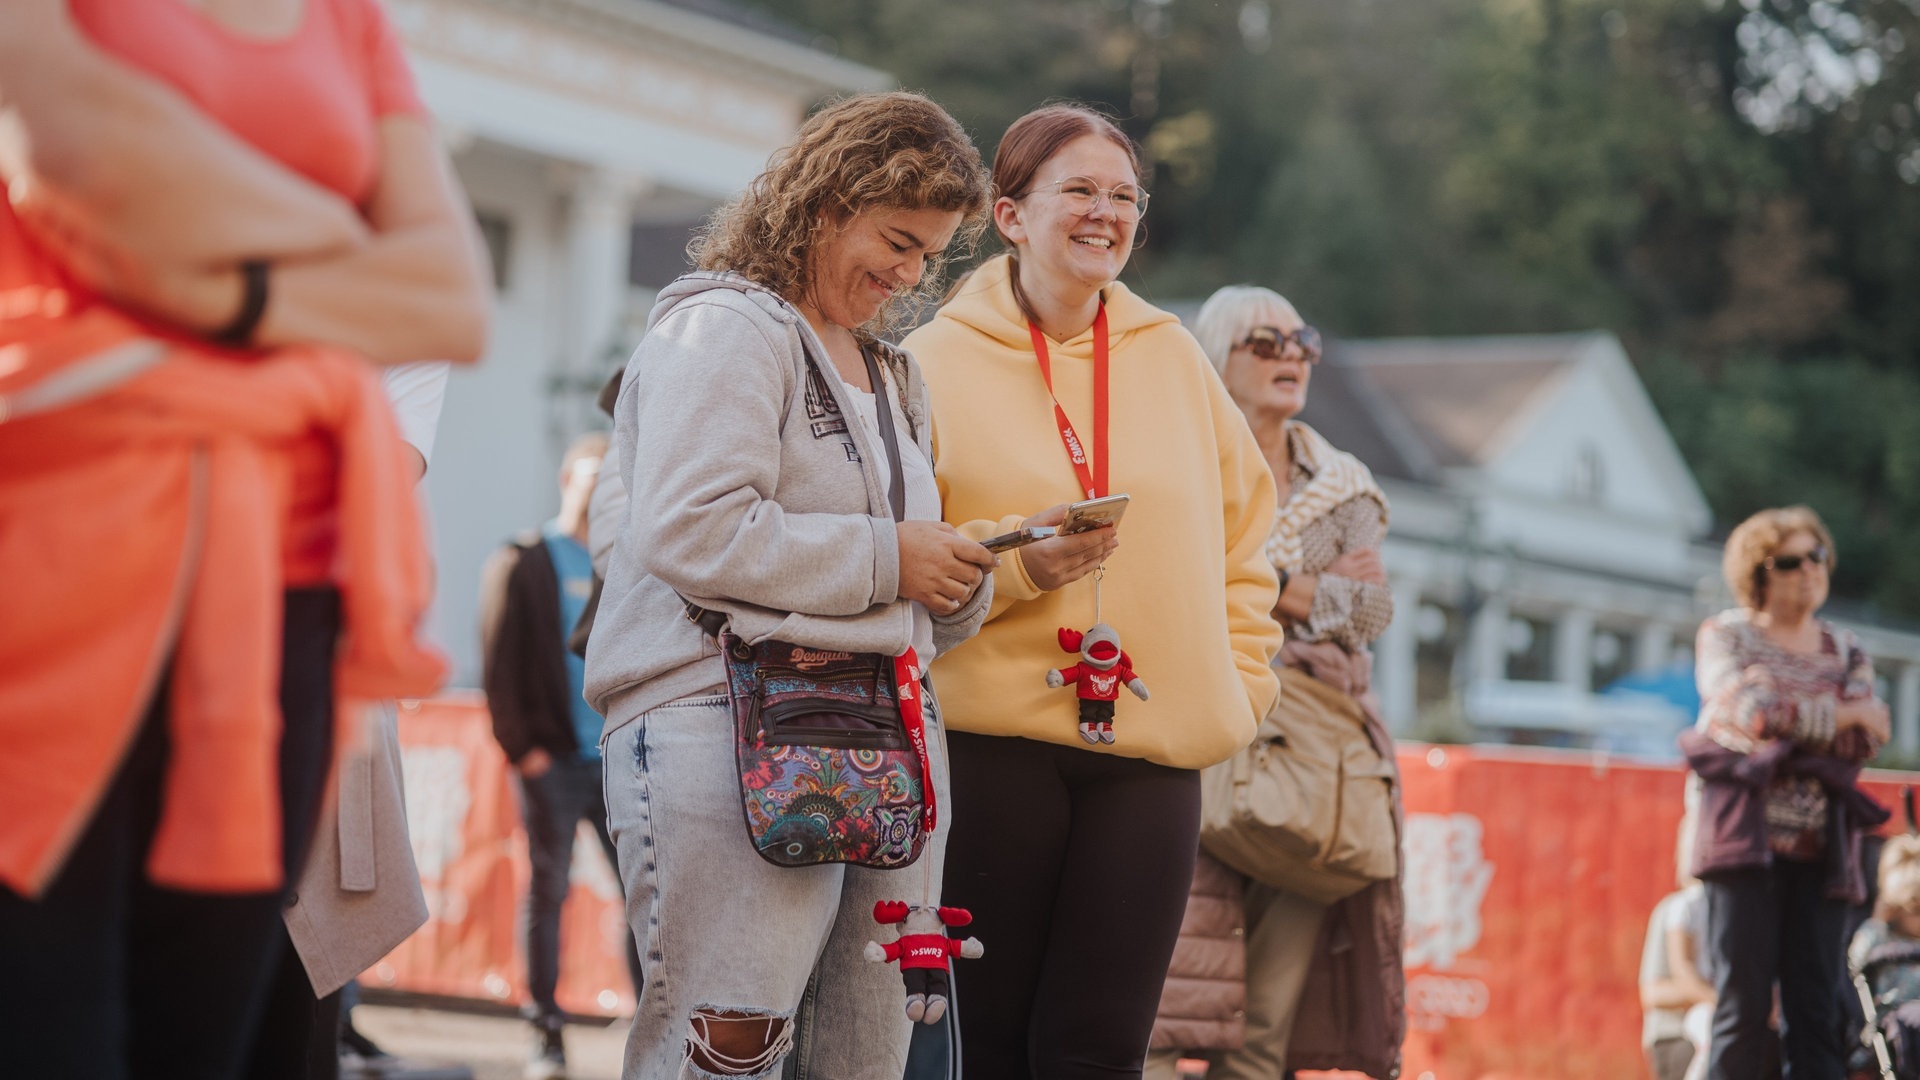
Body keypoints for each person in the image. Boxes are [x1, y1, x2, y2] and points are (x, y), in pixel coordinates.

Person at [0, 0, 488, 1075]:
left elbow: (451, 296)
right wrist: (339, 275)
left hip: (282, 595)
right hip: (53, 564)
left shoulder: (348, 21)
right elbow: (60, 160)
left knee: (215, 1032)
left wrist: (203, 272)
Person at [582, 91, 996, 1080]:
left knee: (860, 1057)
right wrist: (894, 556)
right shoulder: (725, 328)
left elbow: (882, 573)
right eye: (897, 240)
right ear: (823, 203)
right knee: (728, 1052)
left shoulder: (895, 374)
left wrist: (961, 577)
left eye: (929, 255)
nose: (909, 274)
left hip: (877, 739)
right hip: (719, 722)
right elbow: (691, 527)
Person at [901, 106, 1285, 1079]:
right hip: (989, 746)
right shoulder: (930, 365)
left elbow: (1250, 532)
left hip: (1149, 755)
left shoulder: (1175, 358)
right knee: (980, 1042)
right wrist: (1025, 566)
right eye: (1077, 190)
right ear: (1010, 214)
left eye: (1124, 197)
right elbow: (911, 559)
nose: (1104, 214)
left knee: (1102, 1048)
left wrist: (1244, 684)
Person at [1144, 285, 1404, 1080]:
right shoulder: (1175, 456)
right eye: (1267, 342)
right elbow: (1159, 572)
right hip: (1192, 737)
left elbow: (1370, 614)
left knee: (1266, 1031)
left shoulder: (1344, 481)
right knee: (1159, 1005)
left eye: (1304, 343)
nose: (1293, 356)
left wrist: (1247, 576)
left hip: (1305, 759)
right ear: (1220, 355)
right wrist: (1303, 585)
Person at [1685, 505, 1891, 1080]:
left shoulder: (1847, 647)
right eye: (1791, 560)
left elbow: (1869, 737)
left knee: (1818, 1009)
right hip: (1743, 850)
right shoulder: (1725, 634)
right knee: (1742, 1011)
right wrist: (1841, 715)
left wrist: (1789, 718)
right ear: (1760, 571)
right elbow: (1747, 716)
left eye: (1817, 556)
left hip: (1824, 855)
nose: (1809, 570)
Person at [481, 430, 644, 1080]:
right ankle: (544, 1031)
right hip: (550, 762)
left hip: (612, 761)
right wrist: (525, 753)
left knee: (641, 895)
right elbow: (499, 662)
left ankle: (647, 1025)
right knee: (547, 894)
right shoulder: (524, 559)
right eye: (589, 475)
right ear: (566, 481)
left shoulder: (621, 563)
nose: (599, 487)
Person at [1852, 836, 1920, 1077]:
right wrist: (1877, 921)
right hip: (1895, 1028)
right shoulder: (1883, 938)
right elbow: (1856, 960)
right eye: (1914, 910)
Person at [1640, 879, 1714, 1080]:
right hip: (1675, 1034)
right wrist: (1716, 999)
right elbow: (1653, 994)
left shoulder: (1738, 914)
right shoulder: (1677, 909)